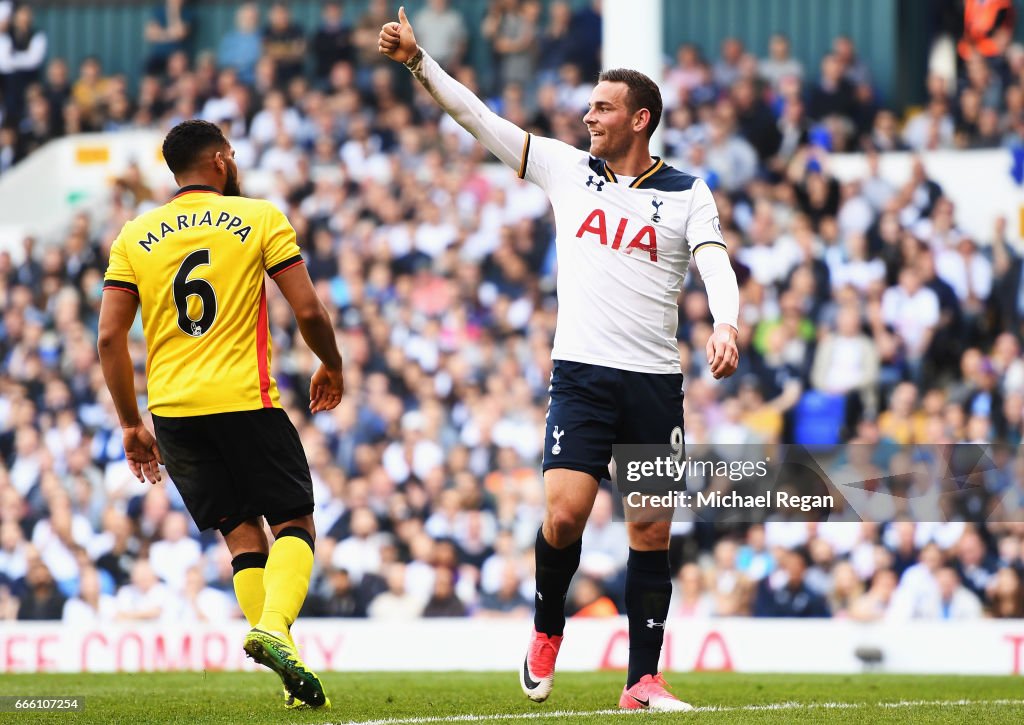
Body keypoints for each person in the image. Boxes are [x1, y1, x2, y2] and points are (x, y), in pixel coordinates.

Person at [379, 8, 740, 712]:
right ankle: (547, 630)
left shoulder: (689, 193)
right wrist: (421, 64)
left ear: (640, 119)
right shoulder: (568, 170)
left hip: (656, 385)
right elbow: (480, 119)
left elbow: (716, 263)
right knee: (566, 514)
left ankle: (643, 681)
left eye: (603, 107)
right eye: (589, 104)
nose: (588, 114)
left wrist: (726, 322)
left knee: (650, 530)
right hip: (581, 374)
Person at [97, 119, 343, 709]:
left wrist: (132, 424)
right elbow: (306, 308)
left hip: (174, 413)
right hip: (245, 398)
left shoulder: (134, 234)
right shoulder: (259, 217)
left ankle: (281, 653)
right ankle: (273, 629)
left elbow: (109, 339)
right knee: (294, 524)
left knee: (240, 536)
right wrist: (331, 363)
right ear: (222, 160)